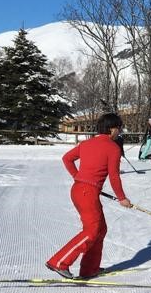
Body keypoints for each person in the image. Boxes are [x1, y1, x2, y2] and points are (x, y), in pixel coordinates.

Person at [46, 112, 133, 280]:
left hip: (80, 190)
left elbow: (67, 159)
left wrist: (79, 178)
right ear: (111, 129)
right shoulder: (113, 148)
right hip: (87, 192)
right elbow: (114, 176)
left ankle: (89, 269)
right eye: (119, 128)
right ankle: (59, 262)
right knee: (92, 230)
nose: (120, 131)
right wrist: (122, 197)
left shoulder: (87, 143)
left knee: (100, 229)